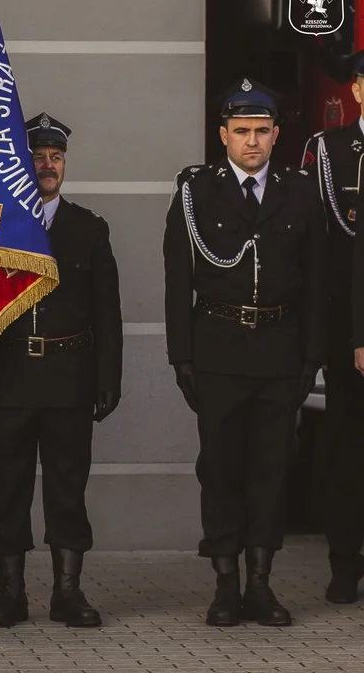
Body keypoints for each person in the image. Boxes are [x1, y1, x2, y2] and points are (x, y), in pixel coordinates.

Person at [163, 78, 326, 627]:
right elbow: (176, 280)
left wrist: (311, 358)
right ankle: (225, 586)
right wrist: (181, 359)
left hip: (280, 353)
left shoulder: (300, 191)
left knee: (270, 471)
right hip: (217, 351)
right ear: (223, 135)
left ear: (277, 135)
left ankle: (261, 584)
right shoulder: (196, 192)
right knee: (221, 469)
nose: (251, 142)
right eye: (241, 132)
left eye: (261, 131)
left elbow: (317, 281)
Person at [0, 113, 122, 629]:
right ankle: (10, 595)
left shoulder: (88, 228)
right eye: (37, 157)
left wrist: (108, 378)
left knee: (67, 489)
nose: (47, 166)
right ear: (20, 165)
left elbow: (107, 312)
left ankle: (67, 593)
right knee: (6, 489)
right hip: (8, 378)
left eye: (55, 157)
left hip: (70, 376)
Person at [302, 51, 364, 604]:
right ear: (358, 91)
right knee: (346, 451)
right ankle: (346, 562)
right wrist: (326, 338)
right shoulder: (330, 151)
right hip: (348, 336)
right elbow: (316, 252)